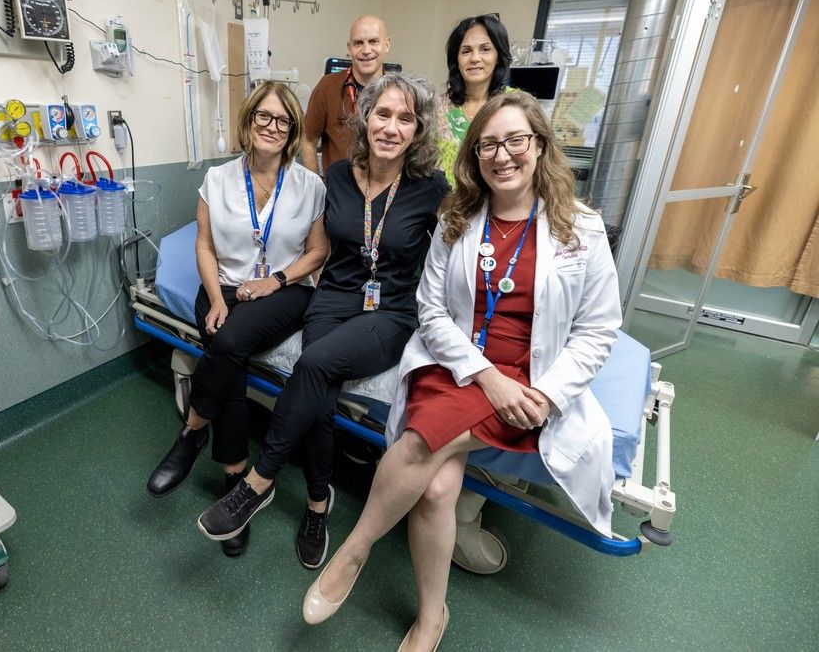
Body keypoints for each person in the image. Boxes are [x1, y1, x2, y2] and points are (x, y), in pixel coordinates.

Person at [302, 91, 621, 651]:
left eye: (515, 140)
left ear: (539, 146)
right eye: (488, 145)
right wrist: (485, 376)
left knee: (425, 460)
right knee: (436, 489)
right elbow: (430, 309)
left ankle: (356, 552)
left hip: (531, 379)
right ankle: (430, 617)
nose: (502, 155)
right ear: (474, 157)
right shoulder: (458, 219)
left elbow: (597, 331)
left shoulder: (583, 229)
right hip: (456, 365)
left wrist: (545, 393)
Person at [197, 73, 450, 570]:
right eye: (382, 114)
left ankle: (257, 483)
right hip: (332, 299)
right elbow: (314, 245)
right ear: (365, 118)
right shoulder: (335, 177)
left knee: (311, 363)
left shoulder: (431, 188)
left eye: (405, 119)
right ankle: (318, 505)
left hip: (390, 312)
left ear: (417, 130)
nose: (391, 127)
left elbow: (460, 249)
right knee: (319, 399)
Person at [145, 81, 327, 558]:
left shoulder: (310, 185)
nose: (271, 127)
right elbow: (203, 245)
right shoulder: (218, 179)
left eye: (282, 121)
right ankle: (236, 487)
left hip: (284, 291)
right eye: (263, 117)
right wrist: (215, 296)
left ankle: (191, 432)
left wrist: (277, 281)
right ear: (248, 122)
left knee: (226, 345)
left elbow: (319, 252)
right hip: (221, 287)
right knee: (229, 353)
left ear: (291, 132)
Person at [302, 15, 392, 175]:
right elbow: (308, 140)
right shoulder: (327, 86)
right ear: (349, 48)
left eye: (373, 41)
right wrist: (317, 188)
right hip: (338, 194)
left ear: (386, 45)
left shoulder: (399, 92)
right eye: (358, 43)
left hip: (384, 193)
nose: (366, 50)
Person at [437, 14, 512, 187]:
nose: (475, 58)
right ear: (456, 58)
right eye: (466, 51)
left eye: (485, 49)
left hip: (497, 208)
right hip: (446, 208)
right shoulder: (437, 108)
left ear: (498, 55)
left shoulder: (516, 106)